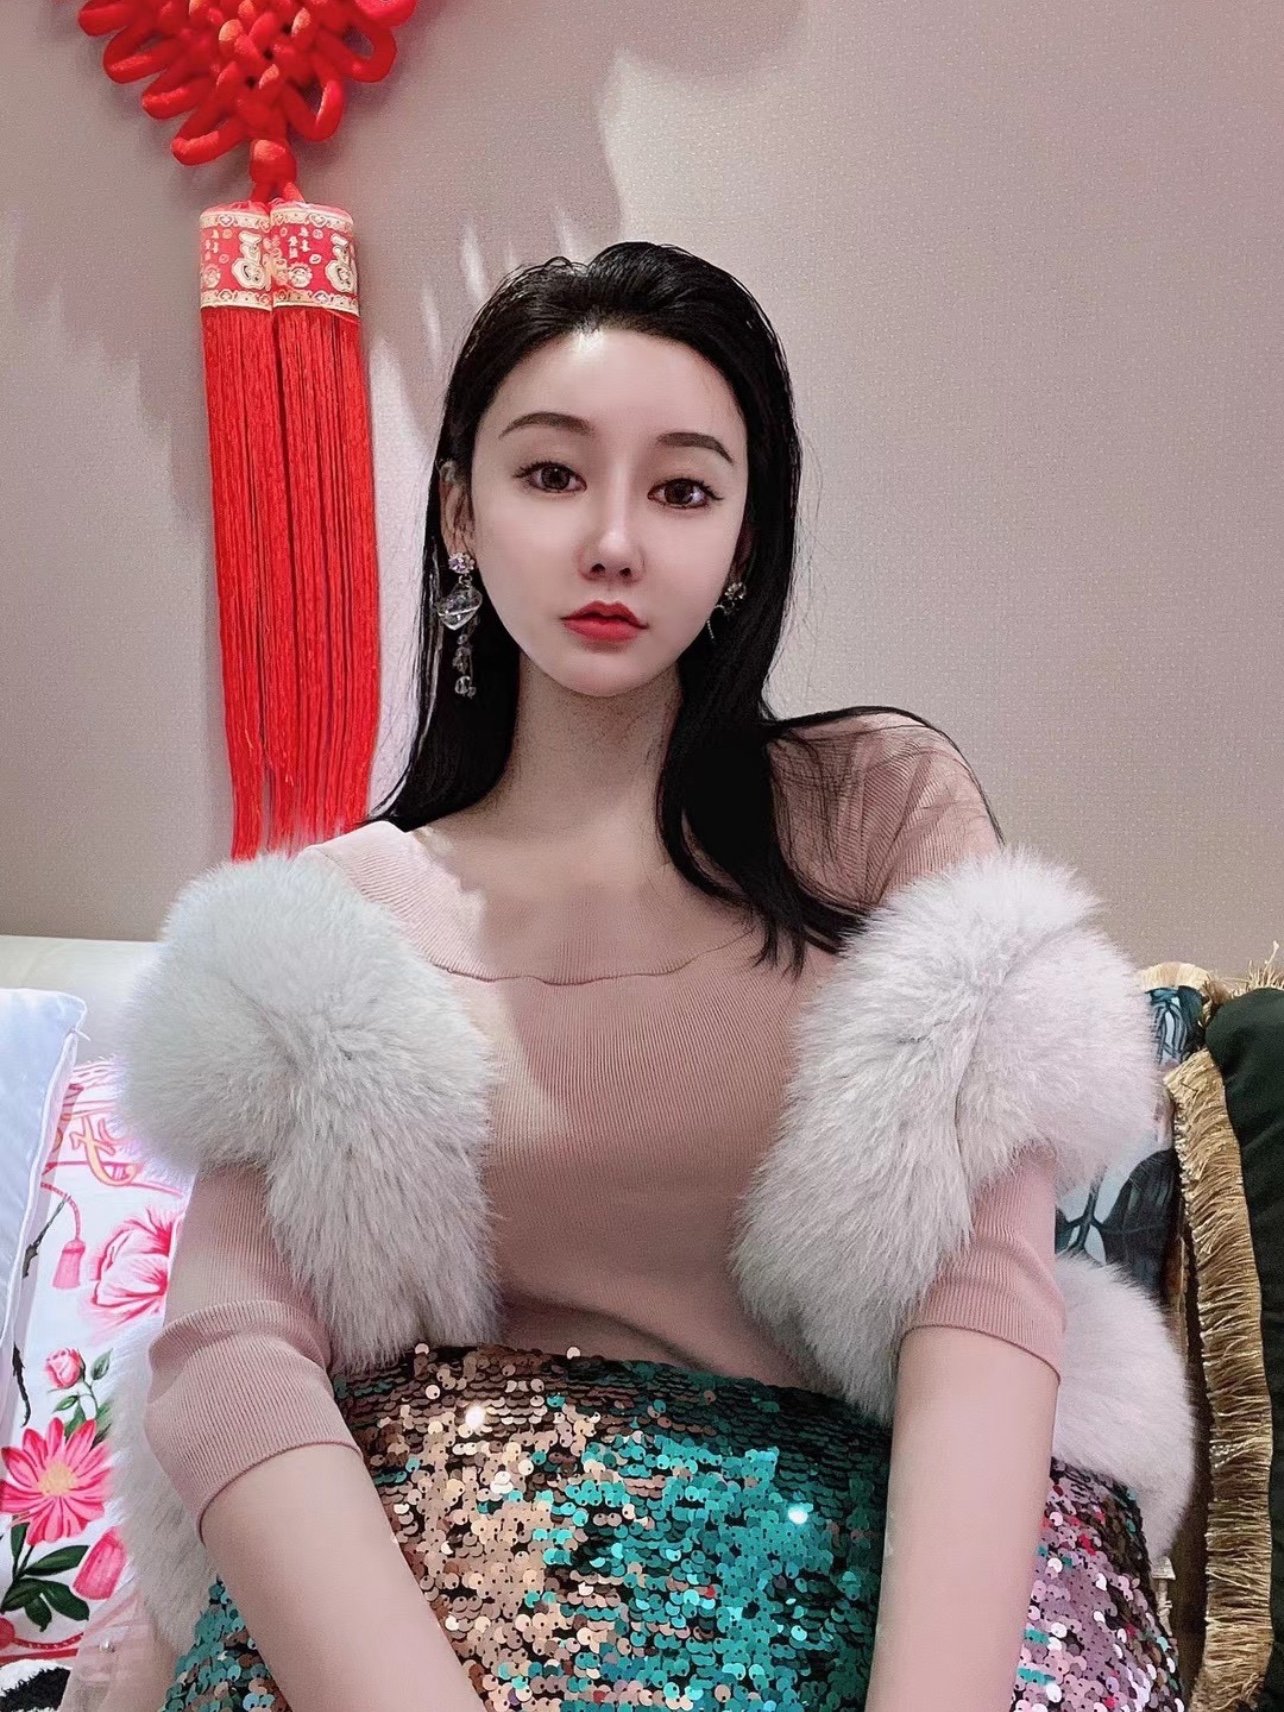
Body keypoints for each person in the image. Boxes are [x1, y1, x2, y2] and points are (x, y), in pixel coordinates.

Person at [65, 241, 1188, 1712]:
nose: (613, 542)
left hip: (874, 1613)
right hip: (438, 1626)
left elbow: (979, 1296)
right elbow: (231, 1357)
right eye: (551, 475)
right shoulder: (332, 919)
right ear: (460, 513)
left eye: (682, 490)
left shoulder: (875, 810)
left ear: (744, 538)